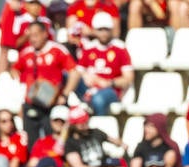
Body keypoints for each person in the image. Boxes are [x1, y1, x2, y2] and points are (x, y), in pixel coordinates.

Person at [13, 19, 79, 148]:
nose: (33, 39)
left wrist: (64, 95)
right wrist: (21, 89)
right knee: (31, 144)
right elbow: (15, 69)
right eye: (30, 36)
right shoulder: (27, 53)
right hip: (31, 104)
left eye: (36, 35)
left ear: (44, 34)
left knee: (55, 142)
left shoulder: (57, 50)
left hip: (52, 104)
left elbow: (74, 72)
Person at [76, 12, 132, 115]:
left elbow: (128, 79)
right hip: (89, 88)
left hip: (111, 91)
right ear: (94, 31)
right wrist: (86, 76)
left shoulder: (120, 48)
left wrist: (108, 83)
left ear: (111, 30)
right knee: (68, 77)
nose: (103, 33)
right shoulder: (89, 48)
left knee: (98, 99)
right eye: (100, 29)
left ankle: (99, 126)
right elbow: (77, 73)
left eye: (106, 29)